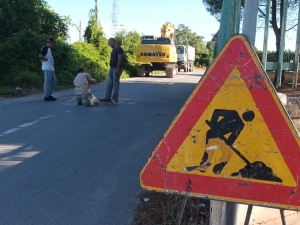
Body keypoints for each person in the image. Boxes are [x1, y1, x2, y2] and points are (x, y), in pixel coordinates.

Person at [100, 38, 123, 103]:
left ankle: (115, 98)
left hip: (116, 68)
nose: (108, 44)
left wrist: (118, 69)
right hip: (111, 68)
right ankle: (107, 97)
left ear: (113, 41)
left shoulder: (119, 49)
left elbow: (120, 59)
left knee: (115, 83)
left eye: (109, 43)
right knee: (109, 83)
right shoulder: (113, 49)